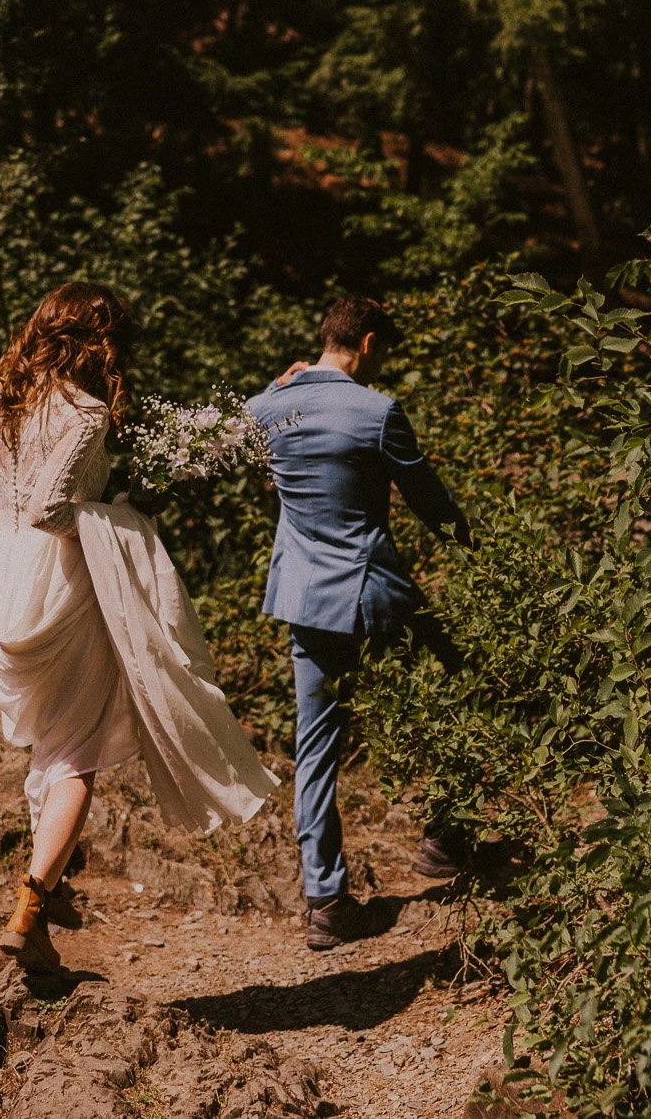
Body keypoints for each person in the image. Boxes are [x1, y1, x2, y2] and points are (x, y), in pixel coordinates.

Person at [0, 282, 276, 971]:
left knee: (51, 737)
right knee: (77, 752)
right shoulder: (88, 413)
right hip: (59, 581)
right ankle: (31, 905)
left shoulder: (1, 403)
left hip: (4, 578)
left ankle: (59, 873)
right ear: (95, 339)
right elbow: (50, 510)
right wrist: (122, 518)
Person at [247, 295, 473, 951]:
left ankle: (325, 900)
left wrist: (273, 385)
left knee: (314, 745)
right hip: (374, 593)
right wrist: (462, 530)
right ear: (369, 343)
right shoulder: (376, 411)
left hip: (305, 599)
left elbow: (233, 428)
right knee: (450, 692)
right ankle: (444, 836)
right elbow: (427, 497)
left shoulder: (272, 409)